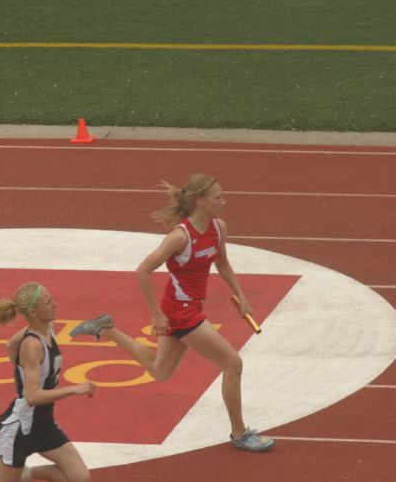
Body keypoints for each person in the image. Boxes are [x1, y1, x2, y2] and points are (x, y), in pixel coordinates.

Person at [71, 174, 274, 452]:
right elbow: (143, 270)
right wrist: (156, 313)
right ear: (200, 201)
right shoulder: (179, 237)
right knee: (232, 363)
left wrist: (243, 298)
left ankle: (107, 329)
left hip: (188, 307)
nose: (224, 202)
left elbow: (223, 265)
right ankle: (239, 433)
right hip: (179, 310)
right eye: (218, 198)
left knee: (160, 371)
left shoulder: (218, 227)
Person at [0, 282, 95, 482]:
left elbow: (10, 345)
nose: (55, 304)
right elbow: (32, 396)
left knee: (81, 478)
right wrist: (73, 390)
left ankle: (28, 474)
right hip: (19, 430)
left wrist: (18, 371)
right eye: (48, 302)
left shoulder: (46, 328)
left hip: (43, 424)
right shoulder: (32, 345)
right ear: (34, 312)